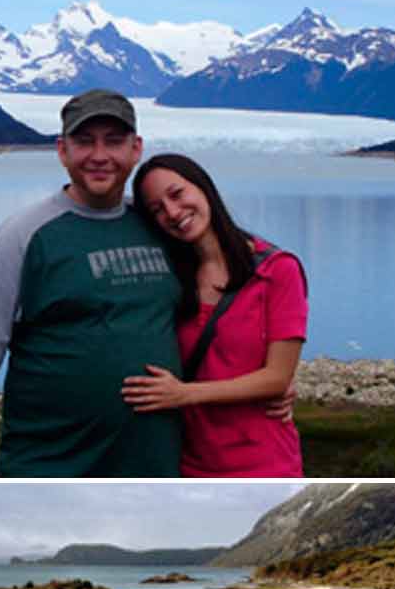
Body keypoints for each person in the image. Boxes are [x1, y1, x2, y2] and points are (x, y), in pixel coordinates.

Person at [0, 89, 184, 477]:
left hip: (153, 469)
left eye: (114, 141)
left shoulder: (160, 225)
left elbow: (212, 312)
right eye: (84, 141)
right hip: (49, 468)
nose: (99, 155)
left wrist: (259, 385)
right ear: (62, 150)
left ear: (136, 148)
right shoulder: (25, 235)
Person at [122, 154, 307, 477]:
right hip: (186, 462)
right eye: (157, 209)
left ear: (203, 186)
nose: (173, 212)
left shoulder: (277, 270)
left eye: (177, 194)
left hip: (263, 464)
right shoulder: (166, 277)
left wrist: (183, 394)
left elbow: (277, 378)